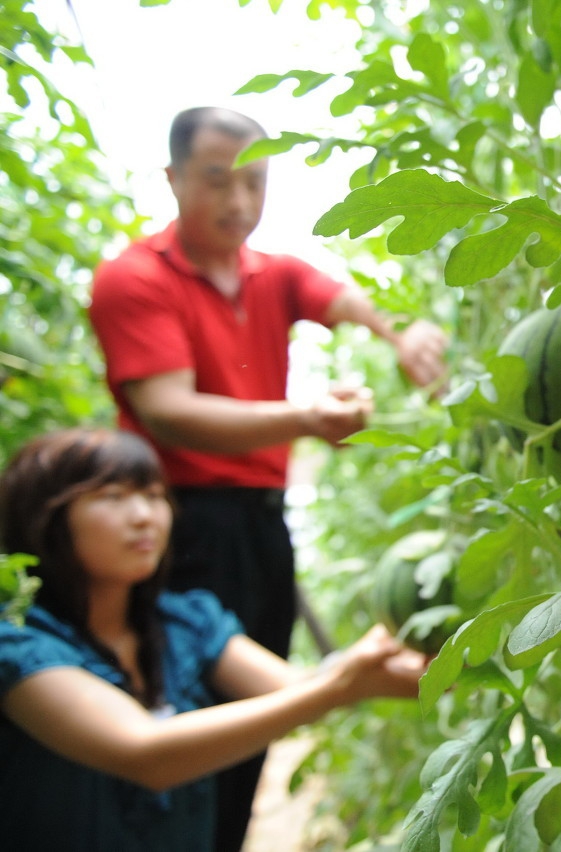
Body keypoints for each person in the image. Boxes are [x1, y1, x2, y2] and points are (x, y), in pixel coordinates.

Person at [86, 105, 447, 850]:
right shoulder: (134, 278)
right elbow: (170, 411)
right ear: (173, 178)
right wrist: (307, 418)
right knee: (185, 716)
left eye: (256, 182)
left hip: (259, 524)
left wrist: (399, 332)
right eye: (218, 181)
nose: (239, 202)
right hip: (174, 528)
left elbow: (340, 299)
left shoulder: (271, 273)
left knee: (249, 727)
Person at [0, 428, 428, 852]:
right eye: (113, 496)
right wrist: (343, 684)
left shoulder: (184, 622)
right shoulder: (17, 641)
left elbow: (297, 689)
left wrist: (401, 662)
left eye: (153, 495)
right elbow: (145, 754)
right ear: (45, 518)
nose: (144, 515)